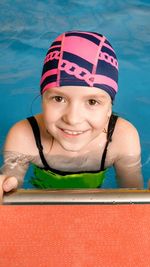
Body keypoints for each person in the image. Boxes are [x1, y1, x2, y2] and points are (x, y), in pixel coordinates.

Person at [0, 30, 143, 201]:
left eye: (92, 102)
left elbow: (133, 197)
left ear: (109, 107)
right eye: (58, 98)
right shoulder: (25, 136)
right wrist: (6, 186)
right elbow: (10, 182)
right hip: (41, 201)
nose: (73, 119)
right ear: (42, 99)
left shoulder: (121, 138)